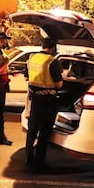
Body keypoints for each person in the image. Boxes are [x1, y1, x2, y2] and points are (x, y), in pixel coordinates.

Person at [24, 37, 63, 172]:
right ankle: (39, 163)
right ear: (53, 48)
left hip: (35, 100)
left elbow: (27, 77)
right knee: (44, 133)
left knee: (32, 130)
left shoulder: (32, 58)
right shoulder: (53, 61)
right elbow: (59, 84)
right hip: (48, 101)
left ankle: (28, 158)